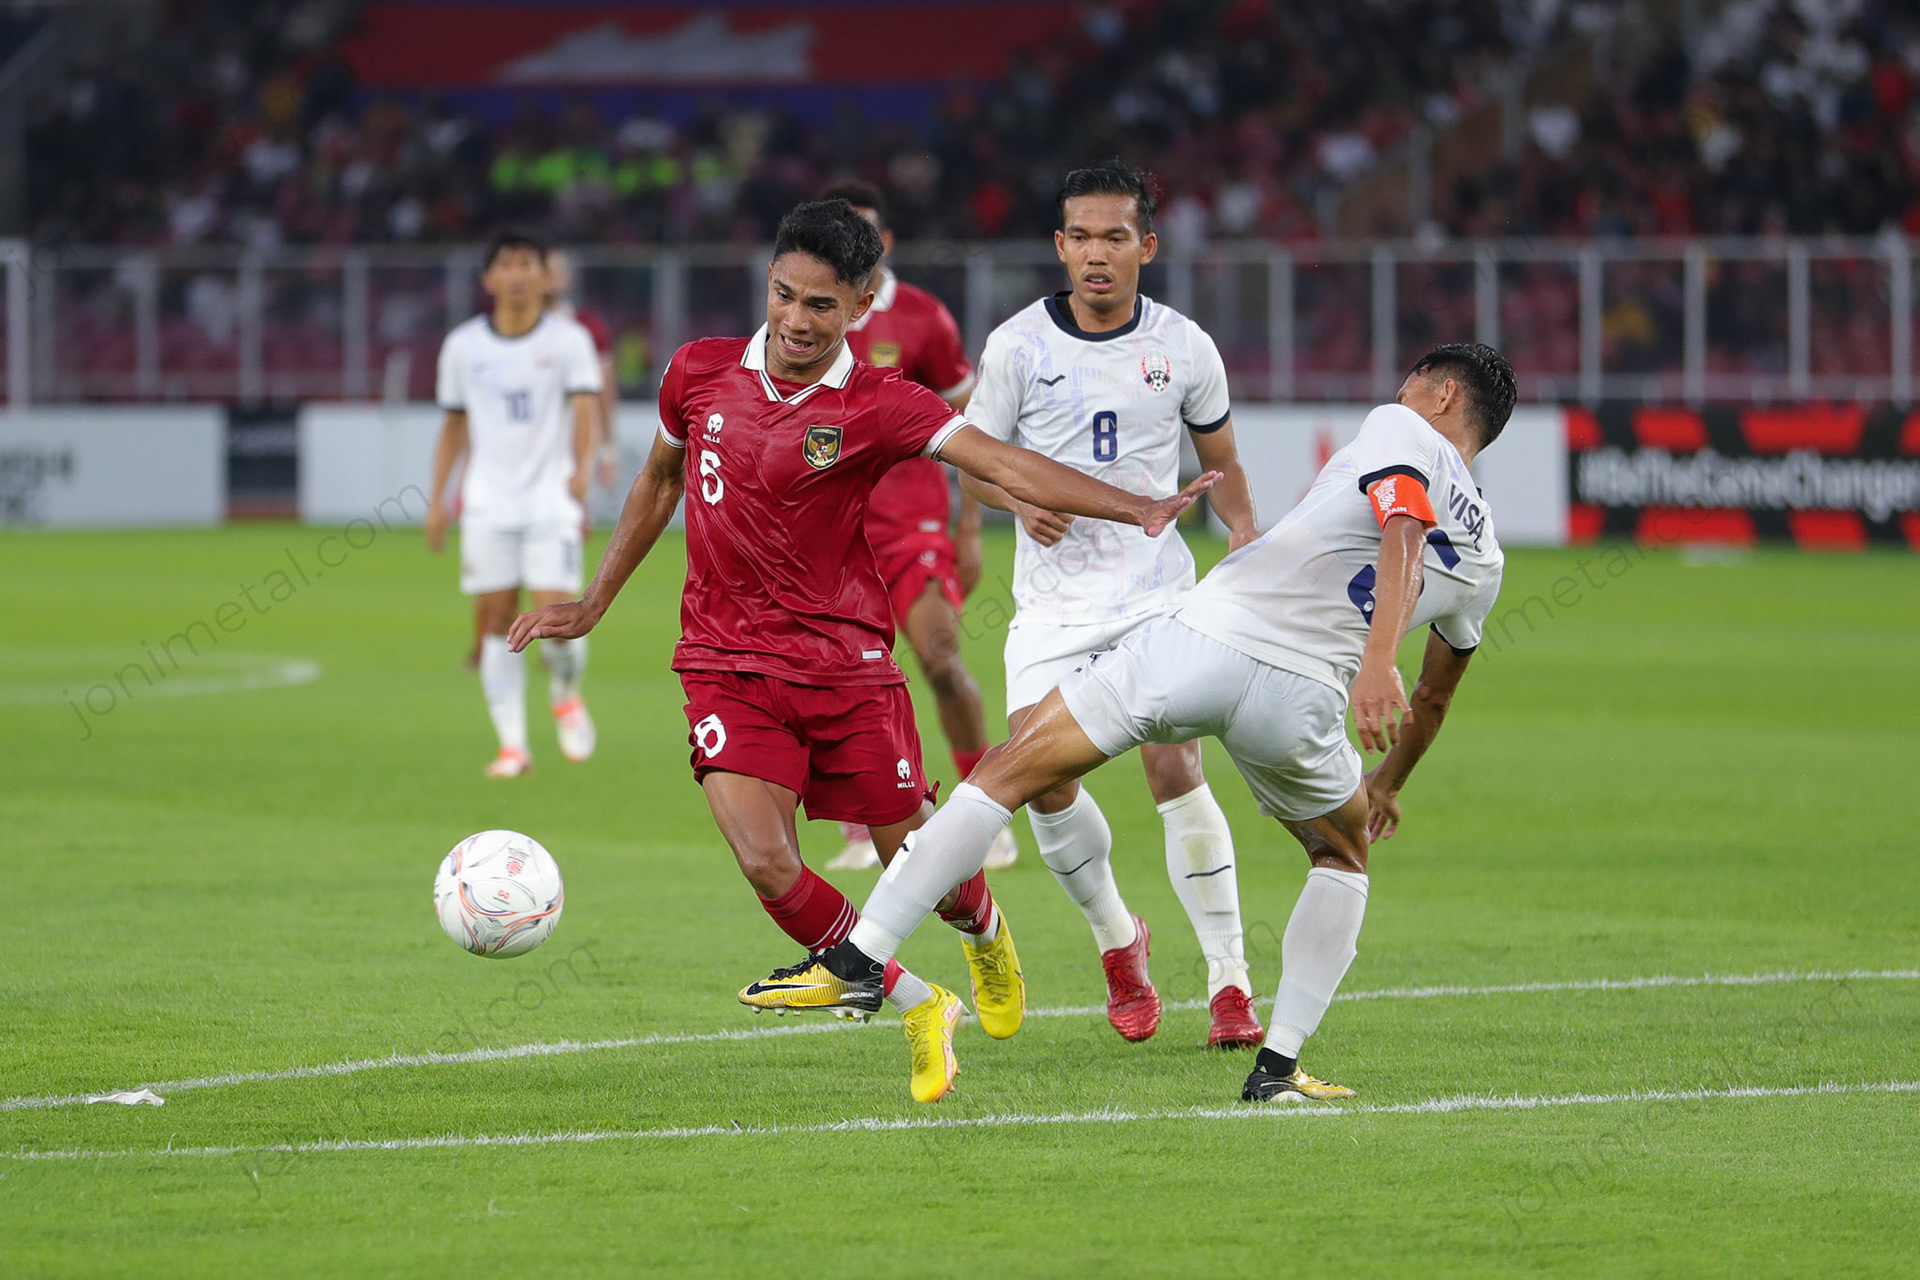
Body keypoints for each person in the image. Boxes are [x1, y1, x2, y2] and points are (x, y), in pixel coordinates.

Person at [508, 200, 1215, 1103]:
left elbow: (998, 462)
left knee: (915, 861)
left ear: (862, 304)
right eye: (784, 296)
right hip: (723, 661)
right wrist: (594, 602)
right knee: (766, 861)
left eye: (821, 305)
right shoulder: (698, 373)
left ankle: (984, 926)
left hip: (846, 668)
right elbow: (658, 481)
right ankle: (920, 1004)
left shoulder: (879, 403)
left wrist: (1134, 506)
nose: (797, 321)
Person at [739, 342, 1514, 1106]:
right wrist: (1386, 783)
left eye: (1413, 381)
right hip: (1301, 701)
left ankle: (861, 959)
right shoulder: (1489, 559)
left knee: (1007, 771)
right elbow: (1439, 692)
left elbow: (1403, 517)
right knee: (1342, 854)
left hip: (1205, 642)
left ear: (1442, 394)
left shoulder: (1404, 428)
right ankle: (1277, 1067)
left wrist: (1379, 658)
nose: (1404, 391)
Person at [957, 161, 1264, 1048]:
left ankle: (1231, 984)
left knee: (1176, 767)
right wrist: (1016, 503)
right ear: (1059, 246)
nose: (1097, 255)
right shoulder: (1018, 346)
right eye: (1081, 238)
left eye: (1115, 238)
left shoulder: (1185, 347)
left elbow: (1224, 462)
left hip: (1155, 595)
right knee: (1043, 781)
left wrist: (1244, 539)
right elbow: (976, 471)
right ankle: (1119, 942)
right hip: (1052, 610)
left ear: (1147, 247)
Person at [815, 180, 1014, 874]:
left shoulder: (925, 319)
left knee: (939, 658)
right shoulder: (810, 315)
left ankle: (982, 805)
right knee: (834, 681)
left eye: (863, 236)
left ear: (886, 243)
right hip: (832, 536)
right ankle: (861, 829)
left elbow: (969, 430)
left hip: (915, 526)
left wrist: (970, 529)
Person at [426, 229, 603, 778]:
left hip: (550, 500)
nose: (518, 274)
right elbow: (453, 425)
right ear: (489, 279)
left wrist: (583, 470)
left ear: (543, 276)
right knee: (495, 620)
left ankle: (566, 692)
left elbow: (585, 411)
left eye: (528, 264)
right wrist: (437, 500)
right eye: (507, 265)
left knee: (557, 619)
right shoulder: (462, 347)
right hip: (486, 506)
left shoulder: (568, 340)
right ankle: (513, 746)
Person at [463, 247, 619, 672]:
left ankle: (555, 648)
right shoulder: (490, 335)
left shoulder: (581, 331)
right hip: (503, 475)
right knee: (494, 568)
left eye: (553, 271)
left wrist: (603, 449)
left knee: (554, 568)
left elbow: (602, 392)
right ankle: (486, 644)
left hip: (560, 470)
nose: (546, 278)